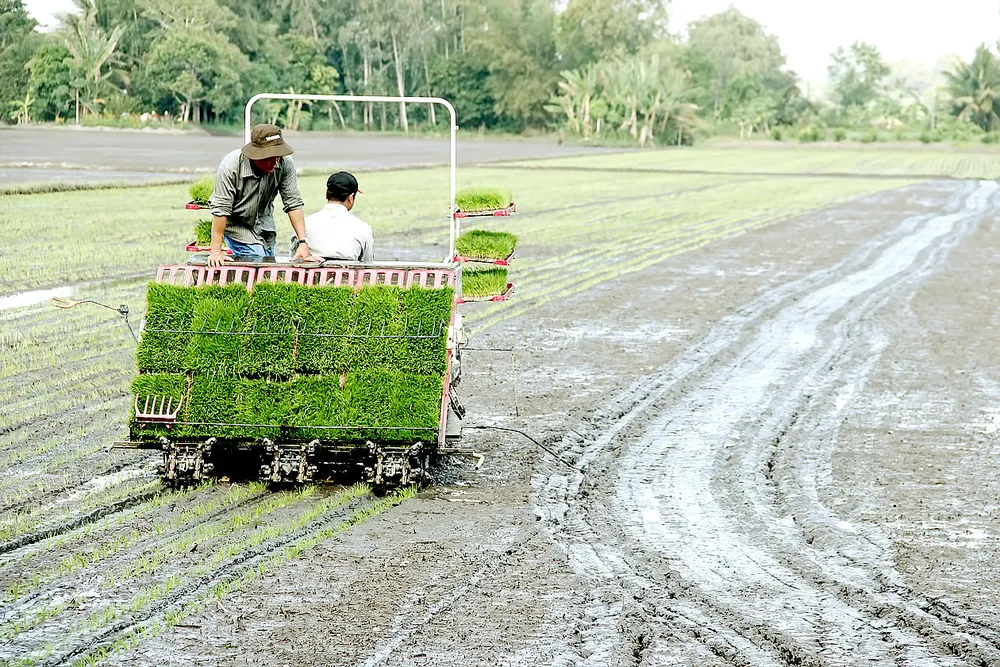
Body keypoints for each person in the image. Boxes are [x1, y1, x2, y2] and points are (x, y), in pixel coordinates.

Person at [207, 123, 318, 267]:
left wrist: (303, 242)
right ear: (255, 155)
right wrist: (216, 251)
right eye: (269, 157)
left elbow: (293, 203)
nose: (275, 162)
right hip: (237, 226)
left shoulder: (285, 164)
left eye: (277, 156)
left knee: (266, 266)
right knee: (260, 264)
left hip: (265, 227)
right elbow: (221, 209)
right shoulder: (231, 166)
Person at [296, 171, 374, 262]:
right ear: (351, 198)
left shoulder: (302, 225)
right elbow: (367, 263)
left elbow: (296, 256)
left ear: (326, 193)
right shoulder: (363, 228)